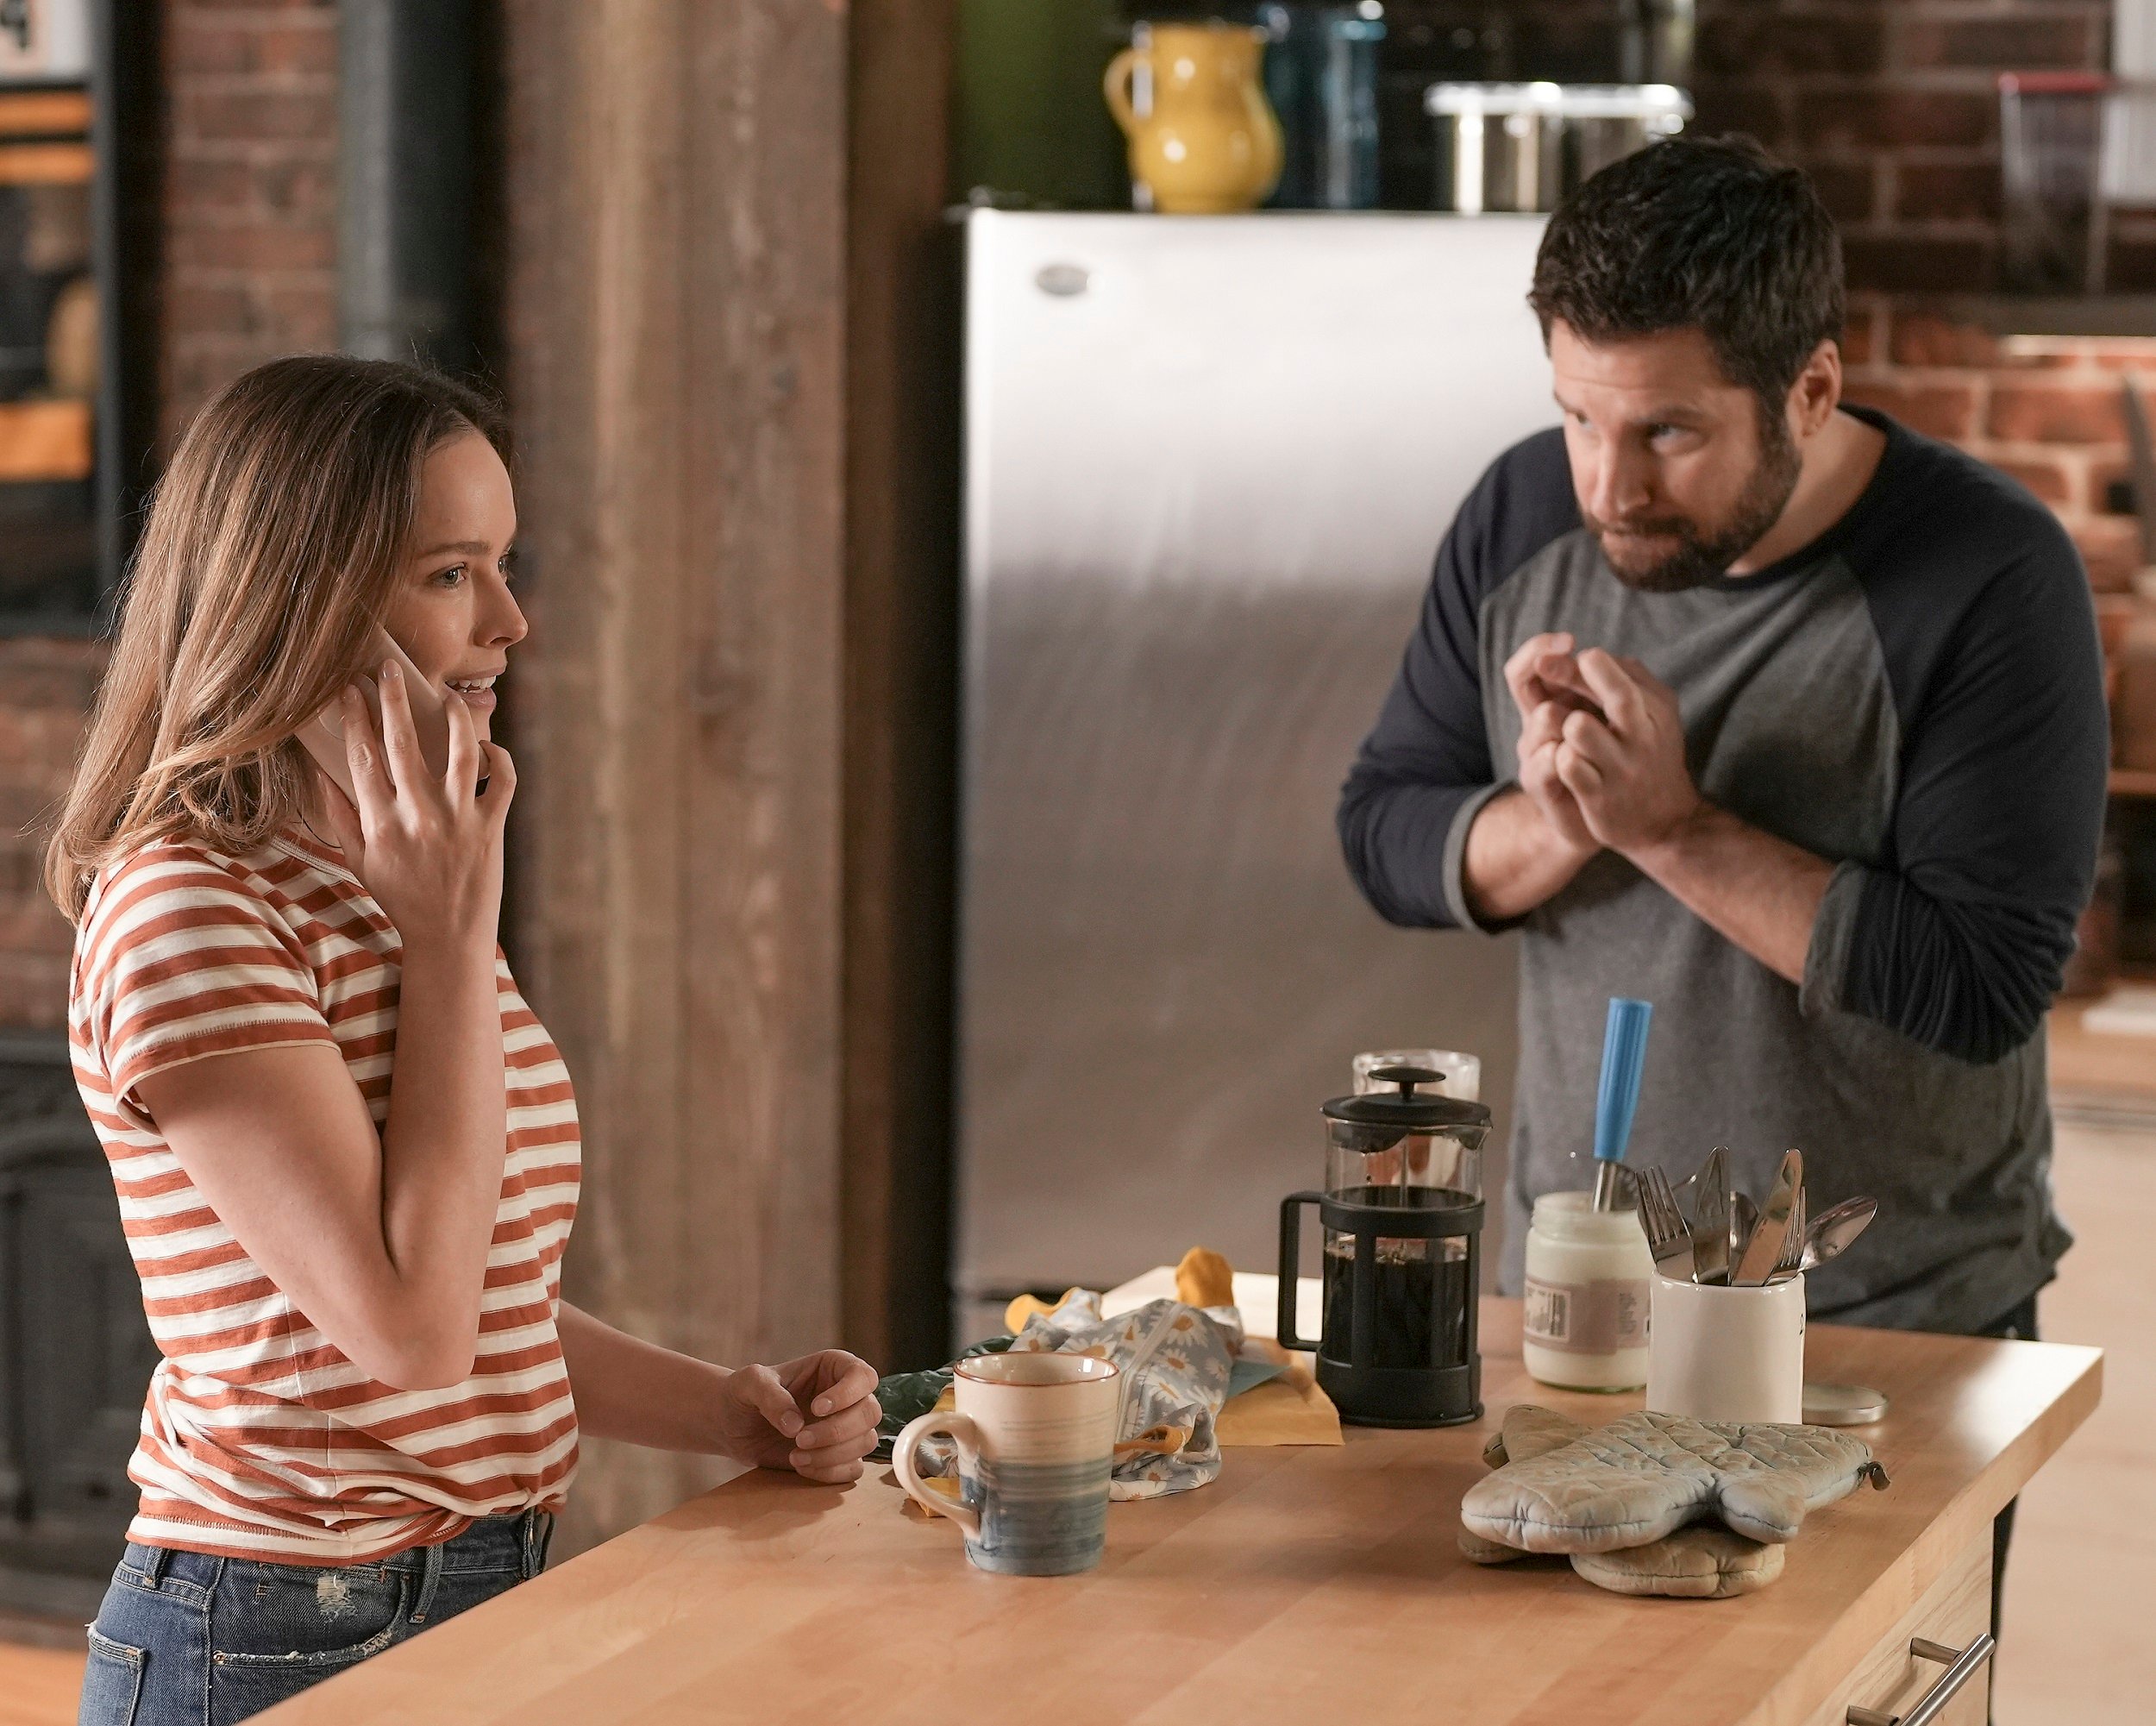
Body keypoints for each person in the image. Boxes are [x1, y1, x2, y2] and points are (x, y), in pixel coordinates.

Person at [1337, 135, 2106, 1648]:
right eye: (1577, 418)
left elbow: (1979, 982)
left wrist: (1674, 829)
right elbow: (1386, 829)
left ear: (1810, 392)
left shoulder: (1988, 576)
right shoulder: (1518, 517)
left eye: (1670, 435)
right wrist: (1562, 821)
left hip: (1891, 1326)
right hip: (1572, 1312)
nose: (1611, 489)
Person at [47, 357, 883, 1726]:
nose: (512, 619)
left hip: (489, 1585)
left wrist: (733, 1411)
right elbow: (409, 1330)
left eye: (503, 562)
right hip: (276, 1631)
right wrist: (447, 933)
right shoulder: (189, 906)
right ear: (302, 599)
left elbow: (476, 1300)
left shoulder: (383, 876)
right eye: (451, 573)